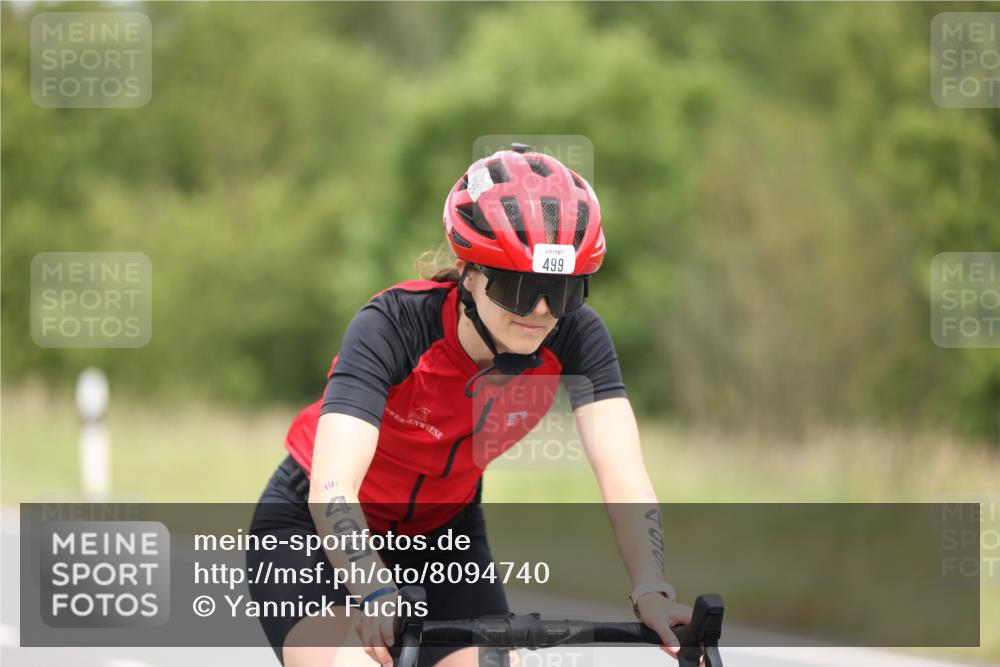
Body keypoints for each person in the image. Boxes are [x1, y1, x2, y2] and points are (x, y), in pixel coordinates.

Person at [247, 143, 696, 667]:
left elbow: (622, 473)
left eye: (563, 290)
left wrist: (651, 588)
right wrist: (370, 587)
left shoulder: (576, 336)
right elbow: (332, 484)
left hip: (445, 535)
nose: (542, 311)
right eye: (519, 287)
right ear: (469, 274)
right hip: (313, 529)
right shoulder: (392, 325)